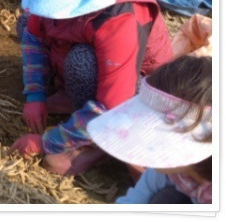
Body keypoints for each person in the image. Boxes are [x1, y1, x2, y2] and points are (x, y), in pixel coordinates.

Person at [10, 0, 173, 175]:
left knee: (82, 62)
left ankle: (97, 143)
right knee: (26, 23)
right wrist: (35, 95)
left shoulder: (118, 16)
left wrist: (46, 142)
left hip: (137, 88)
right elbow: (34, 36)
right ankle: (71, 98)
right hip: (85, 48)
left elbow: (112, 105)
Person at [88, 55, 212, 204]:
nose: (150, 145)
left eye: (160, 140)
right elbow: (135, 199)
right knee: (166, 198)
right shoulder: (171, 168)